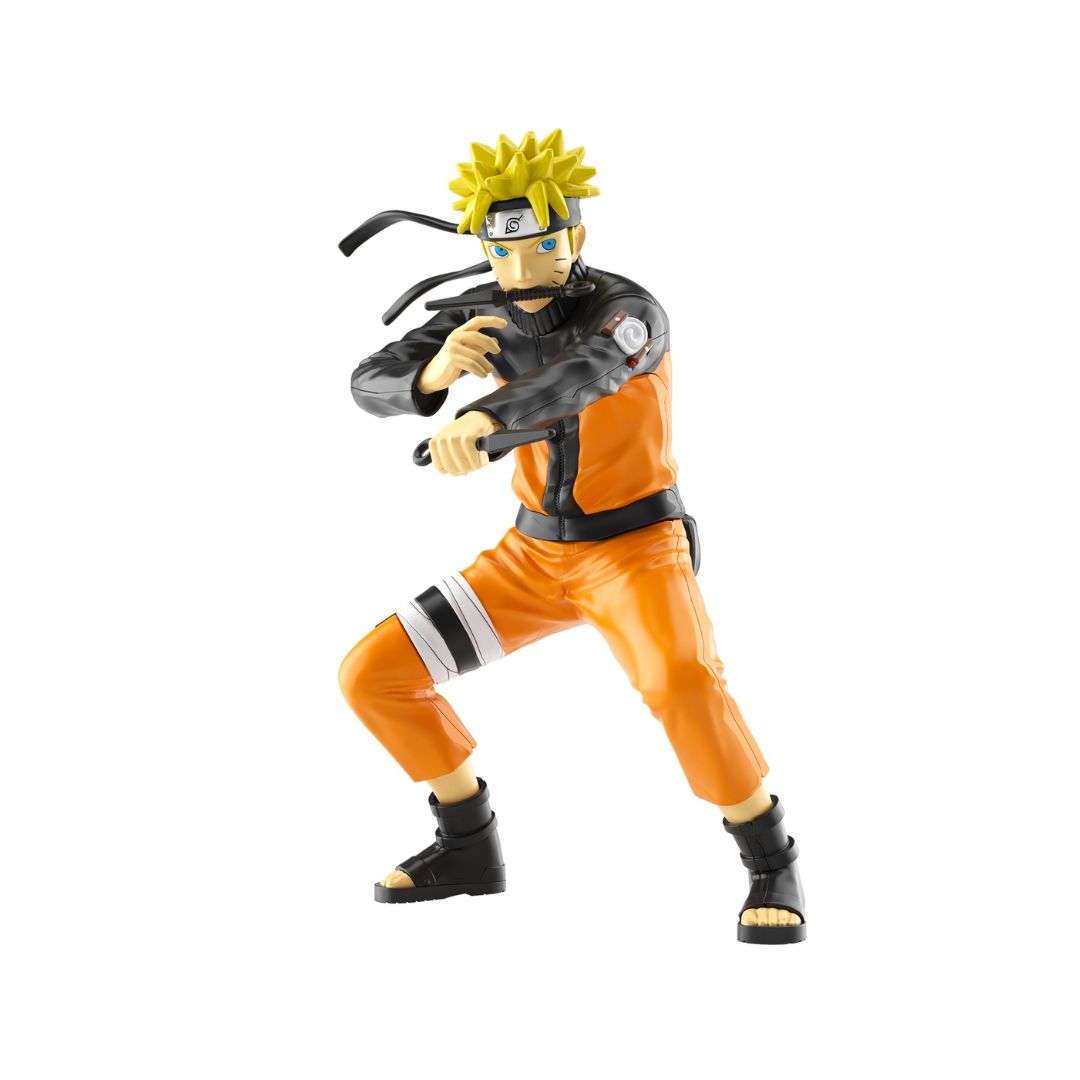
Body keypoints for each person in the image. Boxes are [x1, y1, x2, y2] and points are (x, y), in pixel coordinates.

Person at [338, 129, 806, 943]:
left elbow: (579, 377)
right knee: (373, 675)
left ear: (576, 235)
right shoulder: (479, 311)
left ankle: (771, 858)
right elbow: (367, 381)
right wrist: (433, 373)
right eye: (503, 250)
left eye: (542, 247)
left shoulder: (630, 314)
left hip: (635, 551)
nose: (521, 269)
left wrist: (487, 417)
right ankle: (467, 843)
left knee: (681, 682)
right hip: (530, 559)